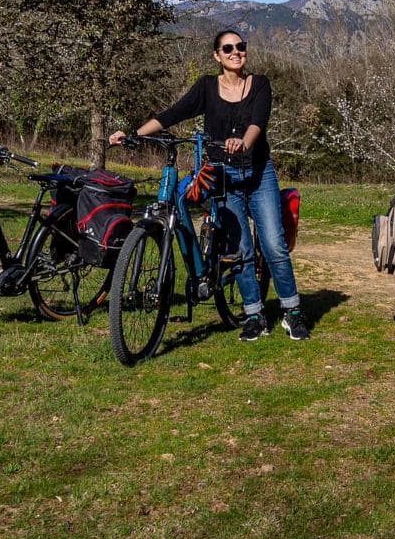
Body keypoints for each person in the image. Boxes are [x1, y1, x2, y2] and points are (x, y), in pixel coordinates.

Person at [109, 29, 309, 341]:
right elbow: (173, 114)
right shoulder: (206, 87)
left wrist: (243, 143)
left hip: (258, 174)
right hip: (222, 177)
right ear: (217, 56)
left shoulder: (260, 84)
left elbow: (257, 123)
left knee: (273, 245)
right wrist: (134, 134)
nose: (236, 52)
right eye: (228, 48)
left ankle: (292, 312)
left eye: (240, 46)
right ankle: (254, 315)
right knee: (240, 249)